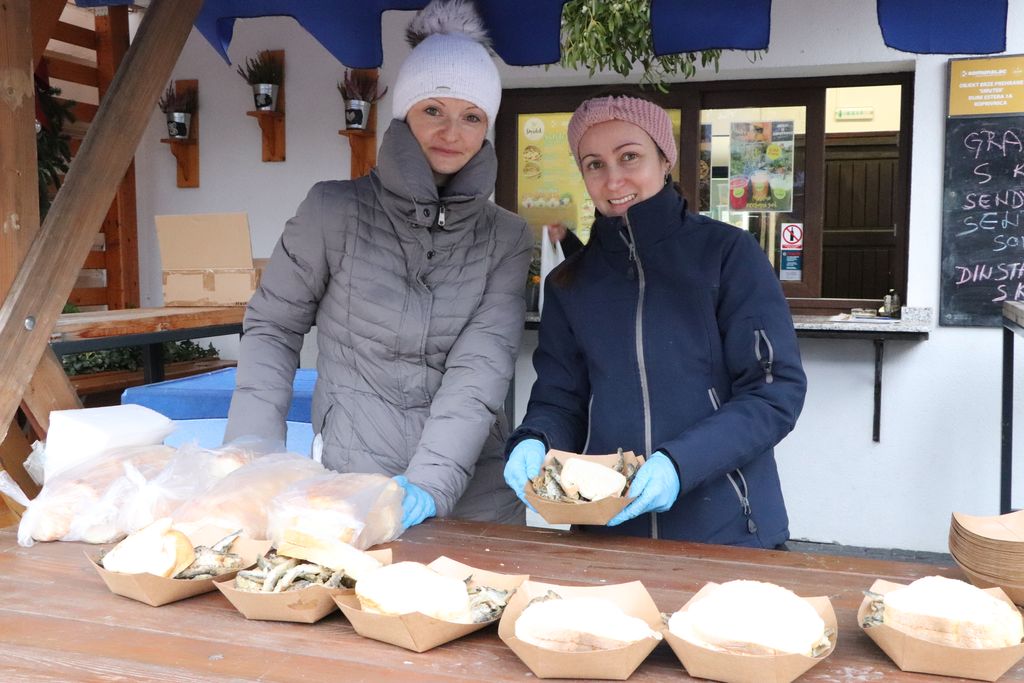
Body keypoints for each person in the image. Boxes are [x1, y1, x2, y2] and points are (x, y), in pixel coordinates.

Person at [225, 0, 532, 531]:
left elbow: (479, 368)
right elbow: (274, 327)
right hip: (351, 480)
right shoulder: (332, 210)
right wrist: (252, 454)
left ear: (487, 127)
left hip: (473, 488)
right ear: (405, 111)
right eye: (433, 108)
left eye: (471, 116)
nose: (451, 132)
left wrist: (431, 483)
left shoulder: (506, 236)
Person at [503, 95, 806, 548]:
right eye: (594, 164)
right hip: (609, 530)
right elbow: (560, 399)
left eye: (630, 156)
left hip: (729, 531)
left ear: (665, 159)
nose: (613, 179)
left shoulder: (727, 256)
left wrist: (679, 463)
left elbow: (773, 392)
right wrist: (534, 439)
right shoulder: (570, 283)